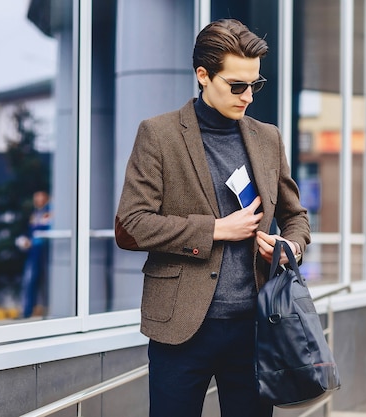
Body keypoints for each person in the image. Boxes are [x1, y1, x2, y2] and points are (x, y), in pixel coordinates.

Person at [114, 19, 311, 417]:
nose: (247, 97)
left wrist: (291, 246)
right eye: (236, 86)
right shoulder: (159, 134)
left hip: (256, 325)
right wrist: (216, 229)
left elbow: (296, 216)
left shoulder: (268, 138)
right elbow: (131, 224)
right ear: (203, 76)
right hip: (182, 326)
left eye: (254, 85)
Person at [17, 190, 51, 318]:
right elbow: (30, 232)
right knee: (29, 280)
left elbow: (44, 230)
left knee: (44, 281)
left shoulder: (49, 213)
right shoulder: (35, 214)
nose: (37, 201)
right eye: (36, 199)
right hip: (34, 252)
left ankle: (46, 310)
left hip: (45, 251)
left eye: (40, 199)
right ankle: (27, 310)